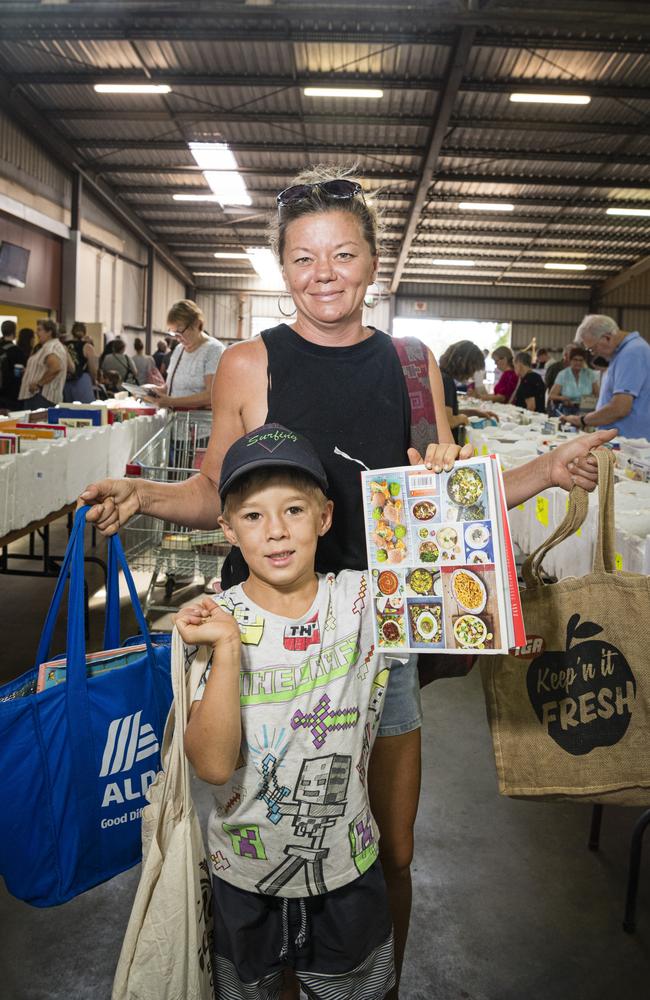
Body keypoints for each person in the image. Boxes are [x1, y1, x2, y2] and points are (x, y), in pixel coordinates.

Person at [80, 167, 615, 998]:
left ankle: (372, 985)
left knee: (388, 849)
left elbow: (445, 500)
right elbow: (213, 488)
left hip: (376, 639)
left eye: (342, 254)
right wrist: (141, 492)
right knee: (261, 849)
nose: (322, 273)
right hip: (257, 644)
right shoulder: (250, 364)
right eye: (302, 257)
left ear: (373, 264)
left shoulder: (410, 364)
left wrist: (547, 468)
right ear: (282, 268)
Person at [176, 424, 396, 1000]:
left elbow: (456, 555)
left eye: (294, 510)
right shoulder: (210, 621)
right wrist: (225, 649)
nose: (275, 531)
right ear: (227, 529)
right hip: (243, 877)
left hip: (348, 868)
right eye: (252, 516)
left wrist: (540, 474)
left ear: (324, 516)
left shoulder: (361, 602)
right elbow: (215, 766)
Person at [563, 313, 650, 437]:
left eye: (592, 349)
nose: (593, 354)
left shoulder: (632, 353)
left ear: (607, 338)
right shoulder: (623, 353)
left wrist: (582, 420)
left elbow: (620, 408)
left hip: (629, 442)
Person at [142, 300, 224, 410]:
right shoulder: (179, 350)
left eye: (181, 331)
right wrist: (153, 390)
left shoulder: (214, 350)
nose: (178, 338)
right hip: (176, 419)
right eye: (174, 333)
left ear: (197, 324)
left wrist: (171, 402)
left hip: (199, 422)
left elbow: (211, 395)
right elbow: (170, 387)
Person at [438, 341, 499, 443]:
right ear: (464, 364)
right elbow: (448, 421)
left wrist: (475, 413)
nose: (471, 375)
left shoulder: (441, 376)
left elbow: (446, 413)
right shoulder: (446, 381)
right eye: (473, 369)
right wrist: (462, 418)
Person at [18, 318, 71, 408]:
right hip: (39, 396)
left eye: (39, 330)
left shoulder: (51, 347)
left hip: (41, 396)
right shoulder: (49, 346)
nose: (36, 333)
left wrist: (39, 384)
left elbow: (55, 368)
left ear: (49, 332)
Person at [548, 346, 600, 416]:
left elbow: (597, 394)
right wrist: (563, 398)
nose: (578, 362)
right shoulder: (563, 374)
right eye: (575, 360)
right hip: (567, 410)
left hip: (586, 410)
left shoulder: (590, 374)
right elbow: (551, 395)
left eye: (581, 360)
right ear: (570, 360)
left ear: (584, 361)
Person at [63, 321, 98, 403]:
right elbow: (92, 368)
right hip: (81, 380)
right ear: (85, 332)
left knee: (68, 411)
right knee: (86, 411)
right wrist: (93, 380)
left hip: (65, 381)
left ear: (72, 332)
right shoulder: (87, 347)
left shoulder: (64, 345)